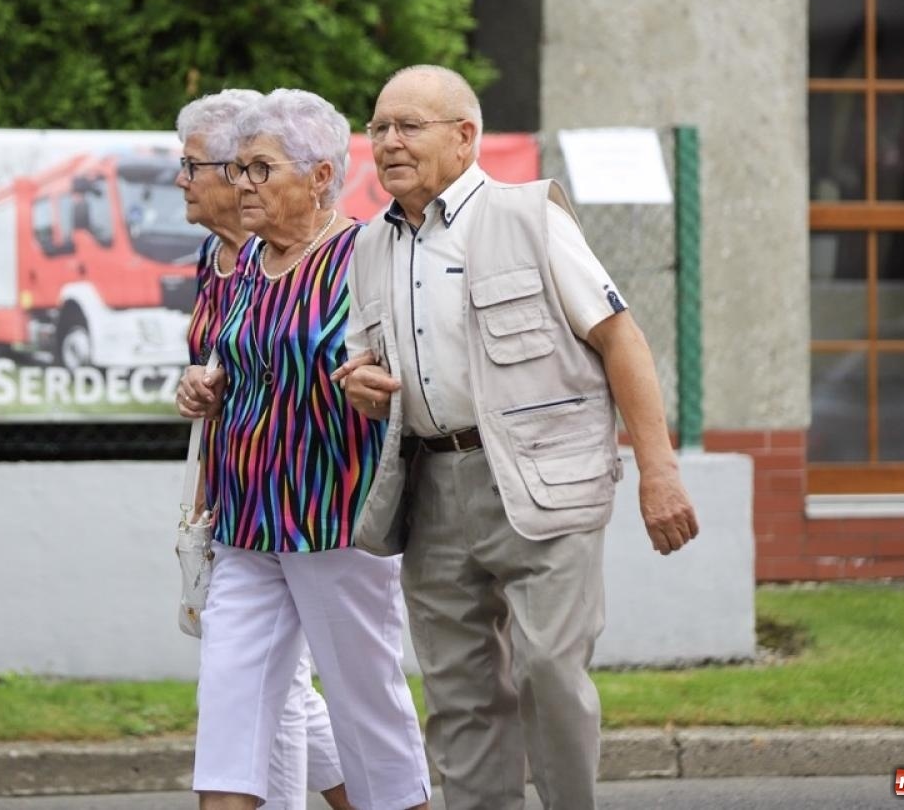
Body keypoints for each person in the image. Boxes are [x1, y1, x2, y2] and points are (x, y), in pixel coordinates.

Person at [332, 64, 699, 810]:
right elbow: (365, 364)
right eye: (378, 128)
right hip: (431, 491)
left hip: (545, 484)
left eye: (408, 126)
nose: (388, 142)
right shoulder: (369, 246)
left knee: (547, 673)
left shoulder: (530, 217)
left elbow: (622, 340)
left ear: (465, 137)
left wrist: (659, 472)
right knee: (460, 697)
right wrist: (360, 383)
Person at [177, 88, 431, 810]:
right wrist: (203, 386)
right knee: (228, 716)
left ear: (320, 177)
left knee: (365, 711)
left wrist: (387, 385)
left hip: (335, 520)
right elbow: (236, 366)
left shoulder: (366, 253)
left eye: (260, 169)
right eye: (240, 170)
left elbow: (421, 362)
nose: (242, 185)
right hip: (244, 524)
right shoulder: (246, 265)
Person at [175, 90, 352, 810]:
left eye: (195, 166)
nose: (184, 180)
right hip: (240, 507)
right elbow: (229, 375)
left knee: (296, 701)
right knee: (261, 695)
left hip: (314, 512)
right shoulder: (220, 263)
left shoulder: (314, 256)